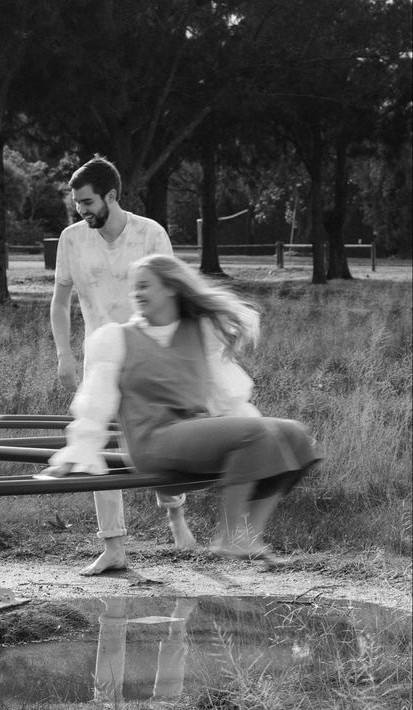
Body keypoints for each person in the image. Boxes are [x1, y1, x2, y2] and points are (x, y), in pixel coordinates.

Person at [46, 254, 320, 565]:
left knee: (296, 435)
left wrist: (273, 442)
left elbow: (228, 398)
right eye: (134, 287)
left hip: (194, 443)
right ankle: (230, 537)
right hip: (152, 443)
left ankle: (249, 535)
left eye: (145, 286)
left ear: (171, 289)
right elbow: (95, 403)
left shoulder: (200, 332)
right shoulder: (115, 338)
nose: (136, 293)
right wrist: (78, 452)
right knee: (261, 433)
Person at [50, 155, 194, 576]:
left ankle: (175, 515)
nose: (82, 209)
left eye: (88, 201)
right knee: (95, 443)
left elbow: (173, 297)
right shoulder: (72, 239)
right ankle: (113, 547)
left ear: (112, 196)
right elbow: (60, 301)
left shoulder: (150, 234)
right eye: (77, 203)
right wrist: (64, 354)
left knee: (158, 439)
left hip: (147, 354)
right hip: (98, 358)